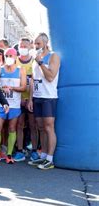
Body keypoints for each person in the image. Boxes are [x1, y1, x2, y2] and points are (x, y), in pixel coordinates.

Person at [28, 33, 61, 170]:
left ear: (45, 44)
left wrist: (40, 62)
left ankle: (50, 159)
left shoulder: (53, 56)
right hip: (37, 96)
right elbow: (33, 80)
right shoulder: (34, 59)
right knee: (40, 127)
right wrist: (30, 98)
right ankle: (43, 155)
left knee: (49, 127)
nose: (36, 46)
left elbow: (51, 77)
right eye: (34, 44)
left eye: (38, 44)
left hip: (49, 97)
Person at [0, 48, 27, 164]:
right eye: (7, 55)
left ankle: (9, 155)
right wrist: (2, 89)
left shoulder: (21, 70)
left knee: (12, 128)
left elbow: (24, 87)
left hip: (14, 105)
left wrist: (12, 88)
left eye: (11, 55)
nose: (9, 57)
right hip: (1, 104)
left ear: (16, 56)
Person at [14, 37, 39, 162]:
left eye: (25, 46)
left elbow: (34, 81)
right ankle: (19, 150)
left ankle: (34, 151)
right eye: (21, 46)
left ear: (30, 47)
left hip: (31, 98)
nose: (23, 48)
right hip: (17, 99)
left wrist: (30, 99)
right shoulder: (14, 61)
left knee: (33, 125)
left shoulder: (34, 62)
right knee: (19, 125)